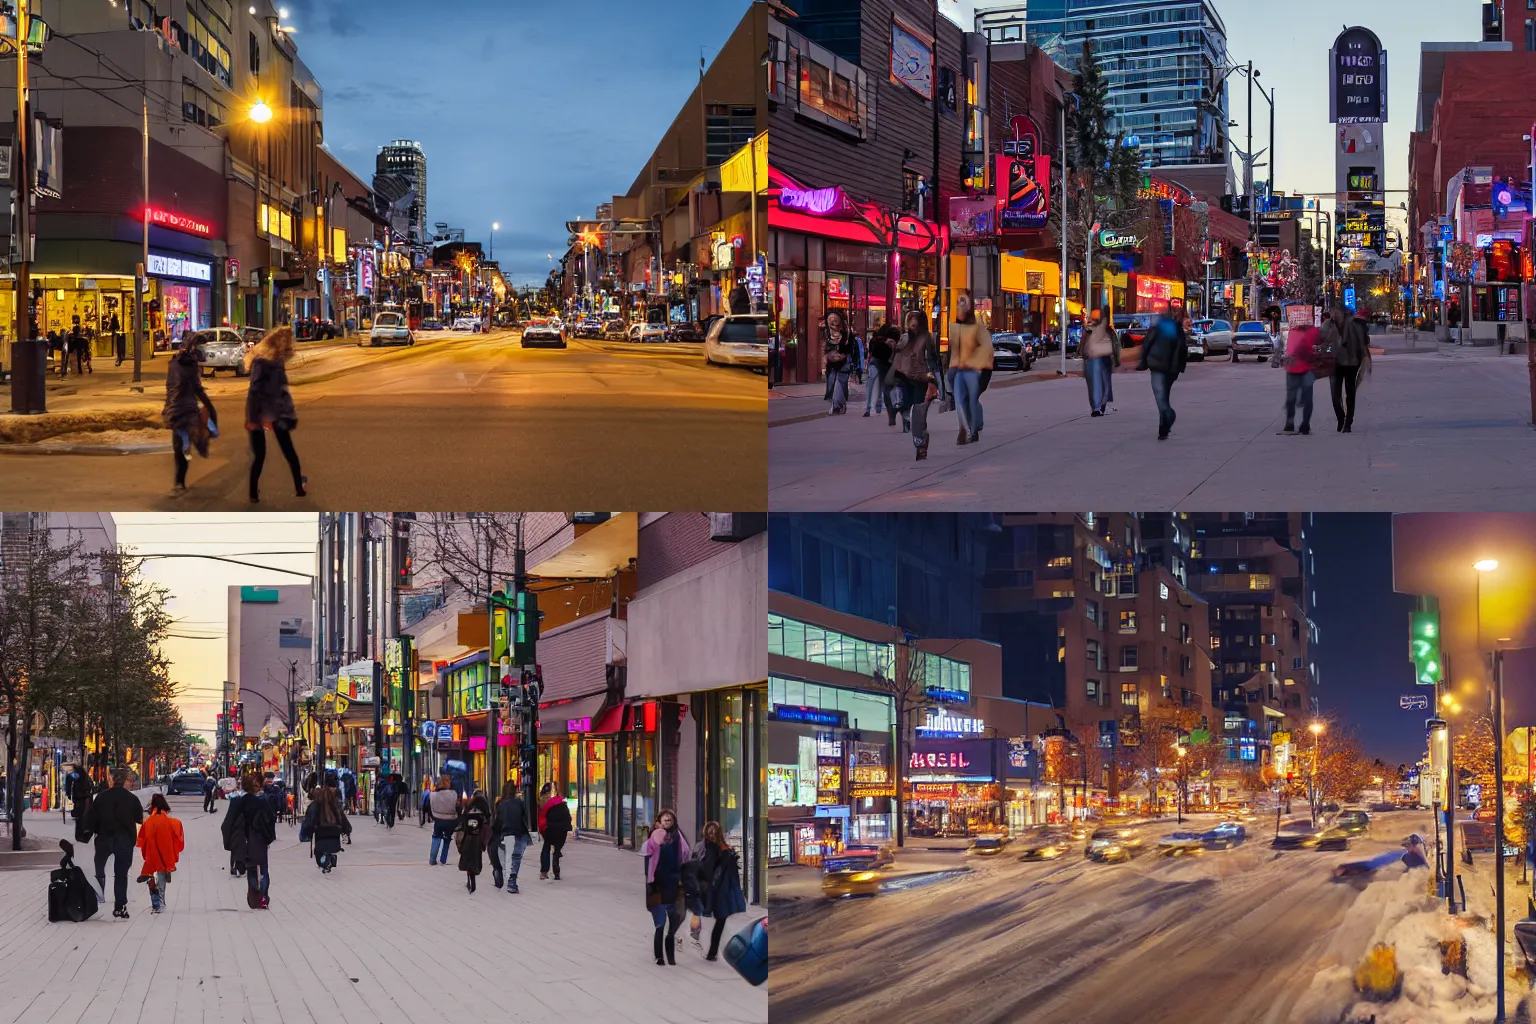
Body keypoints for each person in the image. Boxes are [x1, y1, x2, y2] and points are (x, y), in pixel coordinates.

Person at [243, 326, 306, 503]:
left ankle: (254, 494)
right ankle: (297, 488)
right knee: (286, 452)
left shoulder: (270, 361)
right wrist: (253, 419)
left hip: (270, 413)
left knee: (264, 454)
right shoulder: (266, 363)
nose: (290, 349)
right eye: (288, 346)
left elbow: (267, 391)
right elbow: (258, 391)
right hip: (271, 413)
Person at [84, 768, 143, 919]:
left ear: (112, 781)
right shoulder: (132, 799)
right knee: (121, 874)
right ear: (124, 781)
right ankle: (120, 906)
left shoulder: (101, 798)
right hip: (124, 840)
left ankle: (97, 897)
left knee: (98, 869)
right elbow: (139, 818)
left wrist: (88, 835)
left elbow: (91, 819)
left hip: (104, 838)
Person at [163, 333, 216, 493]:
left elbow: (169, 387)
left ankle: (179, 481)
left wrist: (168, 406)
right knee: (201, 432)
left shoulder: (173, 364)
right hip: (186, 410)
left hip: (174, 410)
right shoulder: (191, 365)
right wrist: (209, 405)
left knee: (178, 446)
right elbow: (197, 389)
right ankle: (200, 447)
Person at [643, 808, 691, 966]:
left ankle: (670, 954)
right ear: (659, 821)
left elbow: (685, 854)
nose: (667, 820)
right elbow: (647, 852)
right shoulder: (654, 836)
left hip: (673, 881)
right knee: (660, 921)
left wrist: (682, 875)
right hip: (656, 882)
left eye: (670, 818)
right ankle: (659, 956)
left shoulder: (677, 836)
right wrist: (656, 837)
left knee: (675, 917)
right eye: (665, 818)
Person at [1136, 303, 1190, 441]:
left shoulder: (1157, 327)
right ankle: (1163, 428)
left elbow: (1147, 345)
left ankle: (1168, 415)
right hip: (1171, 368)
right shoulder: (1177, 328)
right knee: (1163, 394)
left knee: (1160, 396)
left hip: (1158, 365)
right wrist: (1180, 366)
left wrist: (1143, 361)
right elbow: (1183, 349)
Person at [223, 773, 275, 908]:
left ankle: (254, 891)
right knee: (262, 869)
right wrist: (268, 838)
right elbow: (270, 820)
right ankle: (262, 896)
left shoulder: (237, 801)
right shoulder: (263, 801)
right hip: (259, 840)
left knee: (251, 868)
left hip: (243, 840)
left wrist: (229, 841)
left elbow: (228, 823)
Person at [890, 310, 937, 459]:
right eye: (911, 322)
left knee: (918, 413)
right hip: (904, 378)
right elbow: (895, 358)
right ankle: (920, 437)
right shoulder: (903, 338)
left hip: (921, 380)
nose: (913, 325)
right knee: (904, 407)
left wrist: (933, 382)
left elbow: (932, 361)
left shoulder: (928, 338)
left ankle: (920, 442)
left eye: (916, 322)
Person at [698, 821, 747, 961]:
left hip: (721, 888)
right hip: (714, 888)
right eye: (710, 832)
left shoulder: (719, 848)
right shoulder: (709, 849)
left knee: (721, 918)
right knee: (719, 918)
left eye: (714, 832)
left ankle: (712, 951)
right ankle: (711, 951)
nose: (712, 834)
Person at [948, 292, 992, 445]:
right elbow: (953, 350)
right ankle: (965, 429)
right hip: (958, 369)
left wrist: (975, 362)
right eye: (958, 305)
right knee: (960, 400)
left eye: (963, 305)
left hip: (973, 369)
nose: (961, 308)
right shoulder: (953, 326)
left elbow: (986, 346)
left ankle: (973, 431)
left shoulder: (976, 325)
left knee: (972, 399)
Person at [135, 792, 183, 914]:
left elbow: (141, 840)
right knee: (161, 877)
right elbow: (179, 839)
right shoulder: (172, 822)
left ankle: (156, 900)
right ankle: (161, 900)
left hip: (152, 855)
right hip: (165, 856)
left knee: (153, 876)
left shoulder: (149, 822)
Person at [1330, 303, 1372, 433]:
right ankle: (1341, 418)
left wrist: (1366, 358)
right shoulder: (1330, 325)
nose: (1332, 314)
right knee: (1335, 395)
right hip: (1335, 363)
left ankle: (1348, 422)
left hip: (1351, 362)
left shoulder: (1355, 324)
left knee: (1350, 393)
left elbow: (1363, 343)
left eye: (1335, 311)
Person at [1279, 322, 1322, 436]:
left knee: (1291, 396)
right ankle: (1305, 425)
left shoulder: (1289, 332)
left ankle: (1290, 423)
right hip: (1306, 368)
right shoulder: (1314, 331)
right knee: (1307, 397)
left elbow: (1282, 349)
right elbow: (1321, 347)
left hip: (1294, 367)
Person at [299, 784, 351, 873]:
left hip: (320, 832)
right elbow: (342, 818)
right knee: (331, 847)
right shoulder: (335, 804)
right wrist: (346, 830)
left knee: (319, 851)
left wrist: (305, 835)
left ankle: (325, 863)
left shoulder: (314, 805)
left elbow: (309, 821)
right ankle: (330, 858)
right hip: (334, 832)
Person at [491, 780, 531, 892]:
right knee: (515, 858)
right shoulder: (519, 802)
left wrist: (494, 834)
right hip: (519, 833)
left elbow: (498, 820)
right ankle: (512, 881)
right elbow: (524, 817)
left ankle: (503, 875)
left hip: (505, 833)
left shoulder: (500, 803)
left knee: (505, 857)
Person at [1081, 305, 1121, 417]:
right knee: (1103, 383)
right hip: (1102, 358)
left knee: (1094, 384)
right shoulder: (1102, 328)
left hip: (1093, 358)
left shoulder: (1088, 330)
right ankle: (1100, 406)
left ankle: (1097, 407)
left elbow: (1082, 345)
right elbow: (1115, 345)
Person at [456, 791, 492, 893]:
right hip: (479, 836)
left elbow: (463, 820)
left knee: (466, 852)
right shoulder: (485, 806)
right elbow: (488, 821)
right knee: (477, 854)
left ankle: (468, 875)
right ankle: (475, 871)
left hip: (468, 835)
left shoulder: (469, 805)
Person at [537, 782, 572, 880]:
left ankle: (544, 872)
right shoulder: (561, 802)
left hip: (550, 828)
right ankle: (556, 870)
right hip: (562, 828)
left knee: (546, 847)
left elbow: (541, 819)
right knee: (557, 849)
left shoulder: (543, 803)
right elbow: (567, 816)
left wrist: (543, 830)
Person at [822, 311, 854, 415]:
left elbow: (849, 348)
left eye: (835, 320)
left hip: (843, 361)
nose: (833, 322)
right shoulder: (827, 333)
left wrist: (842, 354)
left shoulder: (846, 334)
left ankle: (838, 405)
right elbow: (825, 348)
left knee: (840, 383)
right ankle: (837, 404)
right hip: (832, 363)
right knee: (832, 384)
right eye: (831, 320)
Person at [428, 774, 460, 865]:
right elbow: (458, 808)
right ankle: (443, 859)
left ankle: (432, 859)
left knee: (436, 837)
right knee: (447, 838)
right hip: (451, 820)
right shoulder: (454, 794)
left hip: (438, 819)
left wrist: (433, 817)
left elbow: (428, 807)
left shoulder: (433, 795)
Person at [864, 321, 893, 418]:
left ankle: (868, 408)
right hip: (884, 364)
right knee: (883, 386)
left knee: (871, 386)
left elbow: (871, 351)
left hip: (874, 362)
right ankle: (882, 407)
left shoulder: (874, 339)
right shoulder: (888, 341)